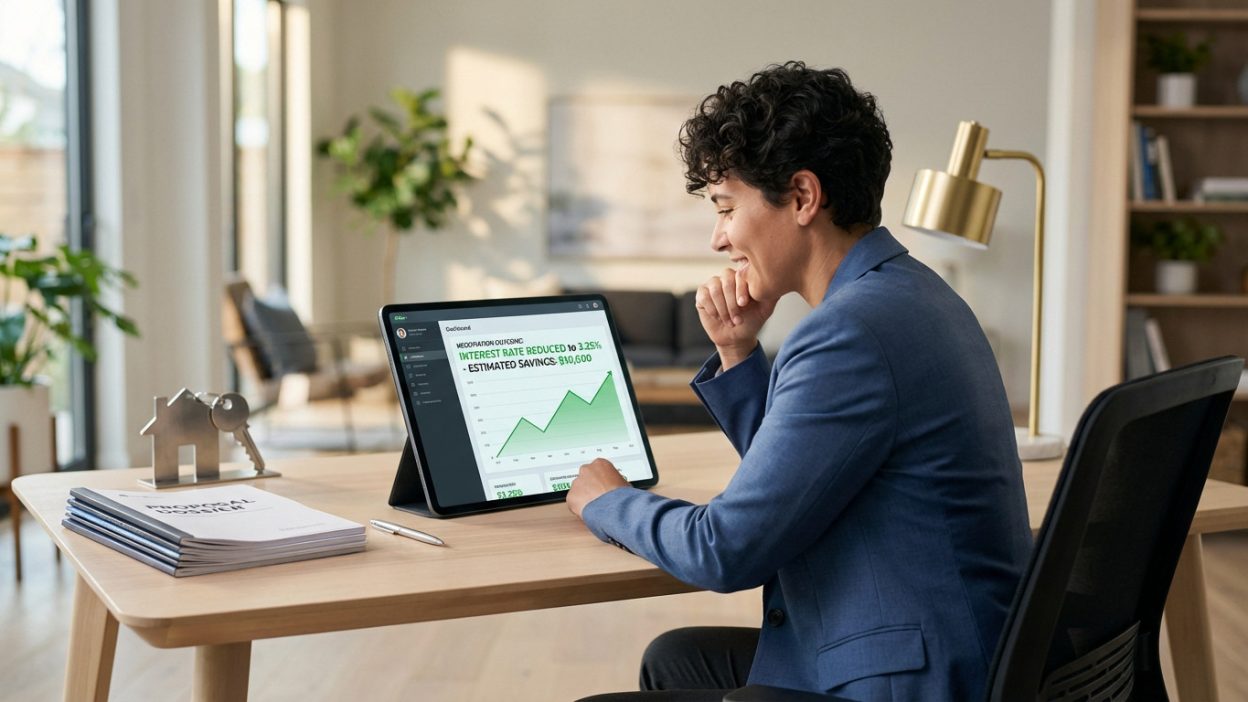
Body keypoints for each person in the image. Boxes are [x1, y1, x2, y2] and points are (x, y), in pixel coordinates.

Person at [566, 62, 1032, 702]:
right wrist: (737, 352)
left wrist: (604, 500)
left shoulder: (850, 334)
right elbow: (805, 476)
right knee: (676, 659)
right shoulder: (914, 295)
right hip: (950, 650)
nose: (718, 237)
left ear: (804, 197)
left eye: (727, 208)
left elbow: (726, 549)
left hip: (908, 681)